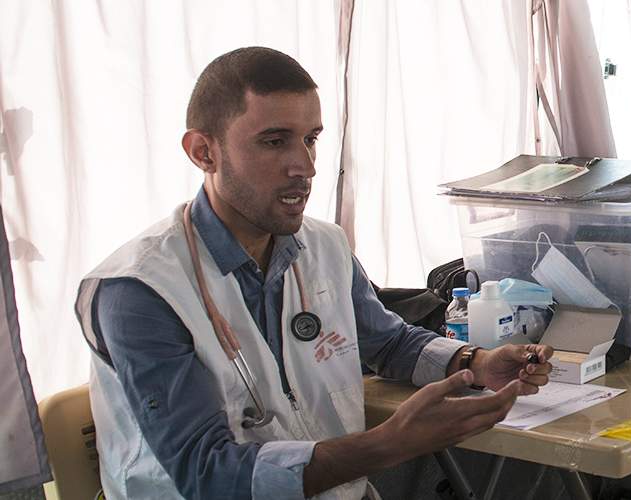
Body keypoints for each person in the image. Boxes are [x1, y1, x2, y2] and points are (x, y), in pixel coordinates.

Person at [75, 46, 553, 500]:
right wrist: (389, 444)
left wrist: (471, 363)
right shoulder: (140, 291)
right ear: (204, 152)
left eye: (311, 139)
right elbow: (209, 476)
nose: (304, 167)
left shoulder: (324, 246)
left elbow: (388, 342)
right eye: (274, 141)